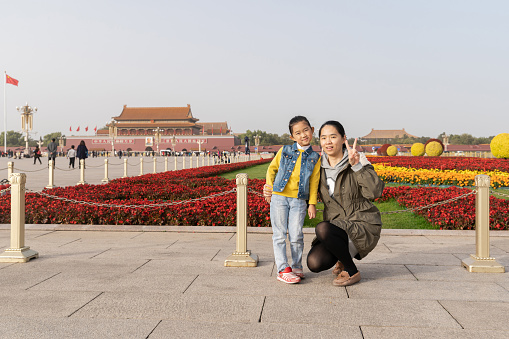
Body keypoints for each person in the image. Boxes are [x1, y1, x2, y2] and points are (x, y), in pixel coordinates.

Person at [307, 120, 384, 286]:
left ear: (343, 139)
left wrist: (357, 167)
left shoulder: (357, 160)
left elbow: (375, 192)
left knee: (322, 227)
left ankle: (351, 269)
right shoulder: (318, 167)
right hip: (336, 225)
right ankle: (342, 257)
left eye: (333, 136)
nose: (328, 142)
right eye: (323, 138)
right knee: (314, 263)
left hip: (361, 221)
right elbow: (302, 190)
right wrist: (272, 189)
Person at [265, 116, 321, 284]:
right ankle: (282, 269)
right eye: (298, 133)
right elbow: (272, 169)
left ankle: (296, 266)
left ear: (312, 129)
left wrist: (312, 203)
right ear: (292, 137)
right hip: (279, 197)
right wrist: (269, 188)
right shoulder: (285, 151)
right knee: (279, 234)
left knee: (296, 234)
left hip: (299, 200)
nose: (303, 135)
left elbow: (314, 182)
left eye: (305, 130)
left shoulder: (315, 157)